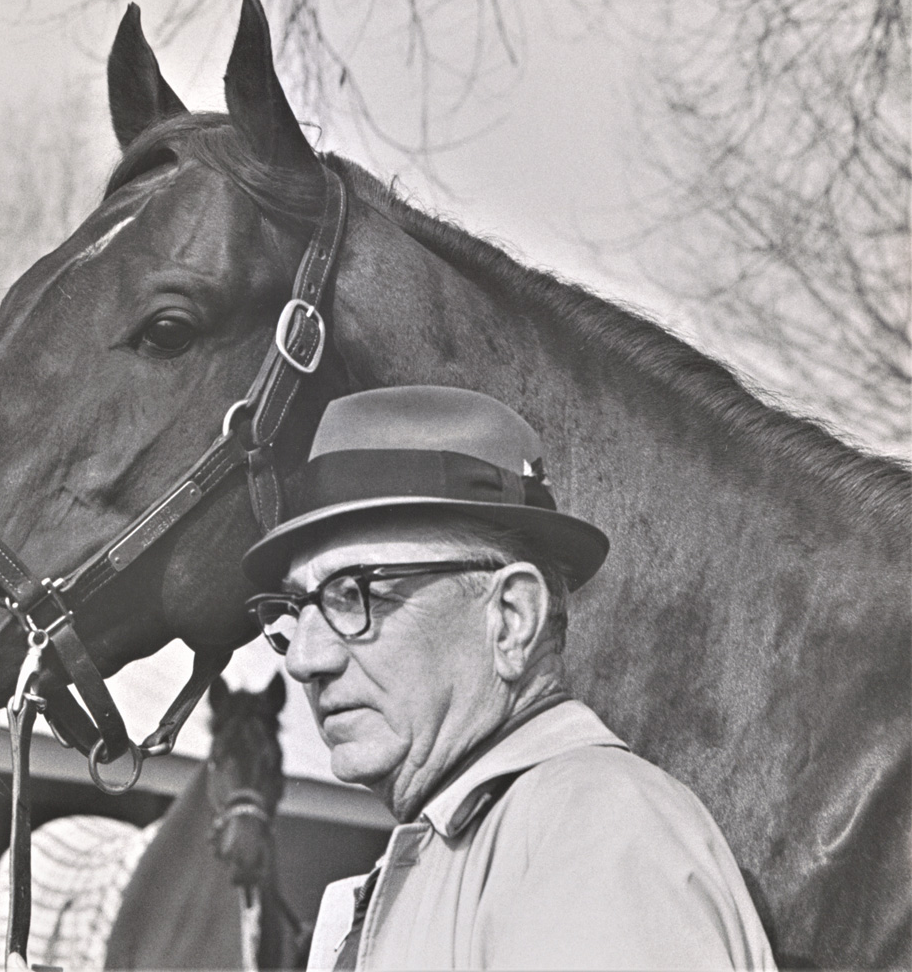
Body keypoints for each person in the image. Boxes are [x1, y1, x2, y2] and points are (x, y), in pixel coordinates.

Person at [241, 385, 775, 970]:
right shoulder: (483, 842)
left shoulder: (591, 832)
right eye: (297, 609)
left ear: (512, 619)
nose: (302, 659)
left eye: (352, 593)